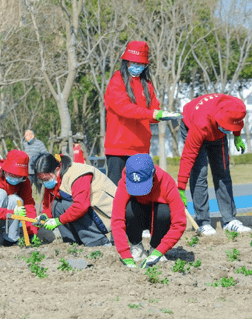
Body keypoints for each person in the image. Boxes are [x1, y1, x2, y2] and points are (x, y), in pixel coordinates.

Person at [104, 41, 181, 185]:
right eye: (134, 63)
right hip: (118, 148)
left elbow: (153, 110)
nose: (137, 67)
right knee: (115, 193)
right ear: (126, 61)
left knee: (140, 194)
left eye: (141, 64)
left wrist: (161, 114)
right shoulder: (117, 80)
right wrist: (151, 114)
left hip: (141, 148)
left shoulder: (147, 84)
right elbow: (123, 108)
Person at [177, 93, 250, 235]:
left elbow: (236, 120)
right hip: (192, 125)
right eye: (228, 128)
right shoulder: (200, 124)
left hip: (217, 131)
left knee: (222, 172)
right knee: (200, 174)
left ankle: (229, 220)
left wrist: (237, 136)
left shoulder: (236, 106)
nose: (229, 131)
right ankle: (203, 222)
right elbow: (188, 157)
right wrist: (180, 188)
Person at [111, 154, 186, 269]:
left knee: (164, 211)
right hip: (138, 218)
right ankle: (137, 247)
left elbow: (180, 222)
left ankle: (154, 248)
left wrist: (159, 251)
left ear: (153, 174)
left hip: (158, 220)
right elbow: (117, 220)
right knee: (129, 208)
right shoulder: (124, 182)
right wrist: (125, 255)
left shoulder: (166, 182)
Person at [33, 153, 113, 247]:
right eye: (41, 179)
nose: (44, 182)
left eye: (46, 178)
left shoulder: (78, 174)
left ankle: (98, 241)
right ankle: (73, 242)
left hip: (105, 213)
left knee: (69, 205)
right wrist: (44, 216)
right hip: (90, 210)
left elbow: (81, 206)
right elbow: (49, 204)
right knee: (56, 205)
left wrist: (58, 221)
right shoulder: (53, 179)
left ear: (57, 169)